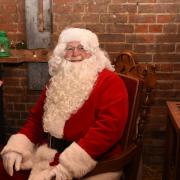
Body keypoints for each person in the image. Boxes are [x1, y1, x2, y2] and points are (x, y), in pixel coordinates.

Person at [0, 27, 128, 180]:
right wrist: (17, 147)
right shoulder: (57, 81)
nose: (75, 54)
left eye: (82, 48)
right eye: (69, 48)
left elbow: (108, 130)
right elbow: (35, 120)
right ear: (62, 54)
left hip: (91, 160)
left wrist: (67, 168)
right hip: (48, 153)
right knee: (6, 170)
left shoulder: (110, 82)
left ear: (93, 53)